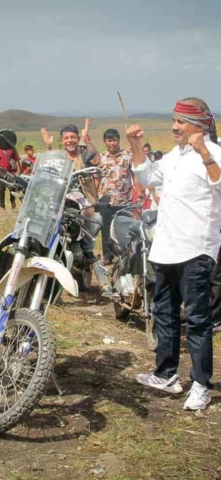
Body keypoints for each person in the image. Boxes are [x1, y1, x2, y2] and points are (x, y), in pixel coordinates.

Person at [130, 97, 221, 411]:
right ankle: (166, 375)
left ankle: (201, 383)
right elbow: (148, 176)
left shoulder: (215, 154)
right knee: (165, 316)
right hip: (165, 248)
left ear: (200, 124)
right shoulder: (173, 156)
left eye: (181, 121)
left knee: (197, 320)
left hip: (196, 250)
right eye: (173, 120)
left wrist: (205, 154)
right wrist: (136, 145)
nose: (174, 127)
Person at [41, 123, 101, 263]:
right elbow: (46, 166)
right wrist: (48, 146)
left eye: (73, 137)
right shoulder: (60, 157)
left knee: (90, 214)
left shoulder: (84, 154)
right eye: (66, 138)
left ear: (77, 138)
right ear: (62, 141)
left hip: (83, 197)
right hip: (60, 197)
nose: (70, 140)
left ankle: (87, 248)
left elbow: (96, 160)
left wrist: (87, 140)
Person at [88, 128, 135, 265]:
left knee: (124, 228)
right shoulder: (101, 158)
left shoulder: (127, 155)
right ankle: (108, 256)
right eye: (109, 141)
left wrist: (139, 193)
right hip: (106, 200)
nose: (112, 143)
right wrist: (94, 199)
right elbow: (96, 179)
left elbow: (134, 175)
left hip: (124, 198)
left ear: (119, 140)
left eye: (114, 140)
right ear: (105, 142)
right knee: (106, 229)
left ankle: (125, 255)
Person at [0, 143, 21, 210]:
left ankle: (12, 201)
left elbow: (17, 160)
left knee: (13, 188)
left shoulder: (12, 149)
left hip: (11, 173)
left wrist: (18, 171)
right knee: (1, 189)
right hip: (0, 173)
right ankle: (2, 206)